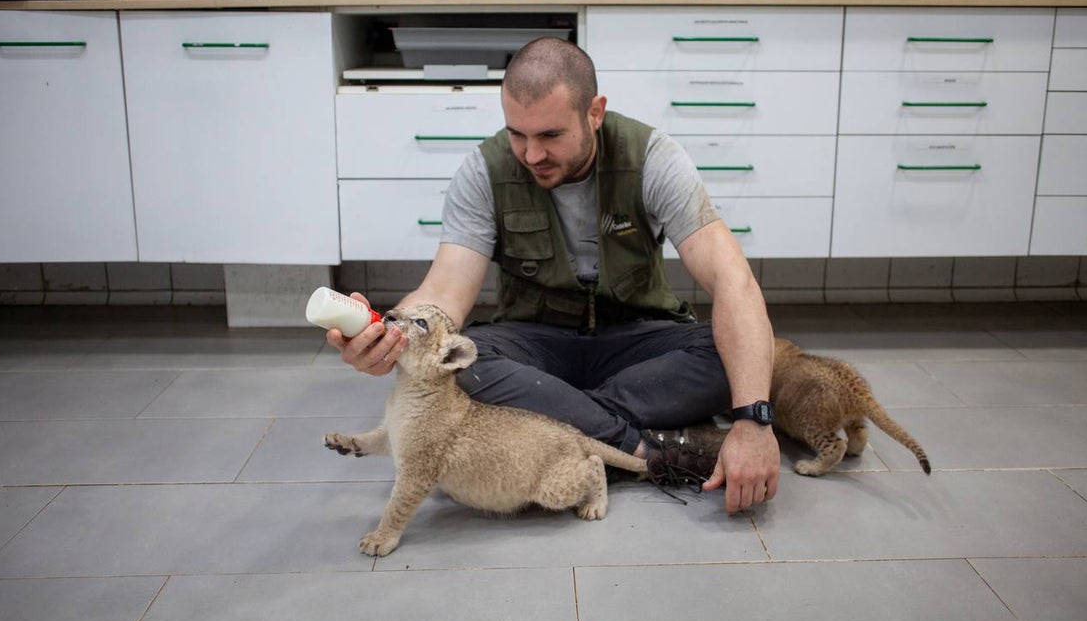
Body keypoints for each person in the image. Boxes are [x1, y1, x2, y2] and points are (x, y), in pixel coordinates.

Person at [327, 37, 779, 513]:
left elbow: (735, 282)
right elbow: (444, 292)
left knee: (737, 349)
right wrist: (395, 332)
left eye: (550, 135)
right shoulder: (483, 171)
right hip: (535, 344)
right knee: (465, 365)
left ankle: (553, 419)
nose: (530, 154)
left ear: (595, 112)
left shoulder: (654, 160)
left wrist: (754, 420)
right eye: (517, 134)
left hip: (635, 341)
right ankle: (639, 450)